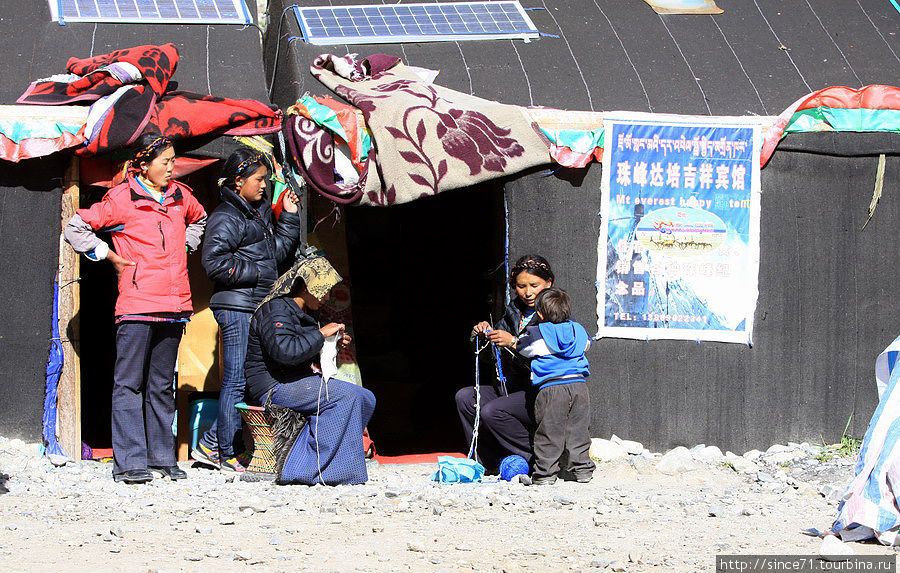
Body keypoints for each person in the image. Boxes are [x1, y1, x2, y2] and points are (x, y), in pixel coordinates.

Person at [64, 134, 207, 483]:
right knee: (129, 383)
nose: (171, 168)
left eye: (173, 161)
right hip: (137, 305)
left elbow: (200, 218)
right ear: (144, 165)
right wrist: (108, 256)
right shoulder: (122, 199)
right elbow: (76, 226)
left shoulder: (180, 197)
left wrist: (184, 247)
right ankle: (129, 463)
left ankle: (162, 458)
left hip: (174, 306)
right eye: (165, 162)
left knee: (160, 384)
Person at [192, 149, 302, 472]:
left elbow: (278, 253)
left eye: (266, 180)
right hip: (236, 307)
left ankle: (211, 444)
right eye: (258, 180)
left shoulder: (257, 214)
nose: (264, 186)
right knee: (236, 380)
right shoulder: (226, 216)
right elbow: (212, 261)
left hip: (255, 305)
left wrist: (291, 216)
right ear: (238, 181)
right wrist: (255, 271)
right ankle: (224, 452)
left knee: (249, 379)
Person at [244, 256, 376, 485]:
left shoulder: (303, 313)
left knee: (365, 397)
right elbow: (285, 352)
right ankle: (307, 468)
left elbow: (300, 349)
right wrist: (320, 335)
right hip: (274, 386)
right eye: (323, 291)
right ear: (306, 287)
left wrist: (330, 342)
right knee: (347, 395)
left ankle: (334, 465)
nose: (326, 298)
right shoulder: (275, 311)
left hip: (296, 381)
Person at [455, 255, 555, 470]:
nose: (528, 292)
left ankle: (539, 458)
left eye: (534, 285)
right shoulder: (513, 312)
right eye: (521, 286)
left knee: (492, 411)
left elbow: (553, 355)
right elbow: (491, 358)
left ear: (548, 284)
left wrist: (514, 342)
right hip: (511, 388)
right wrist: (483, 336)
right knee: (466, 397)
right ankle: (488, 462)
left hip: (540, 390)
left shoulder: (555, 313)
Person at [516, 287, 595, 485]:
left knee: (549, 430)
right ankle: (583, 470)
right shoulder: (579, 330)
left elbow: (522, 348)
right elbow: (587, 345)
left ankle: (544, 474)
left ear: (540, 313)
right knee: (579, 430)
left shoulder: (537, 333)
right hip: (579, 385)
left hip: (551, 388)